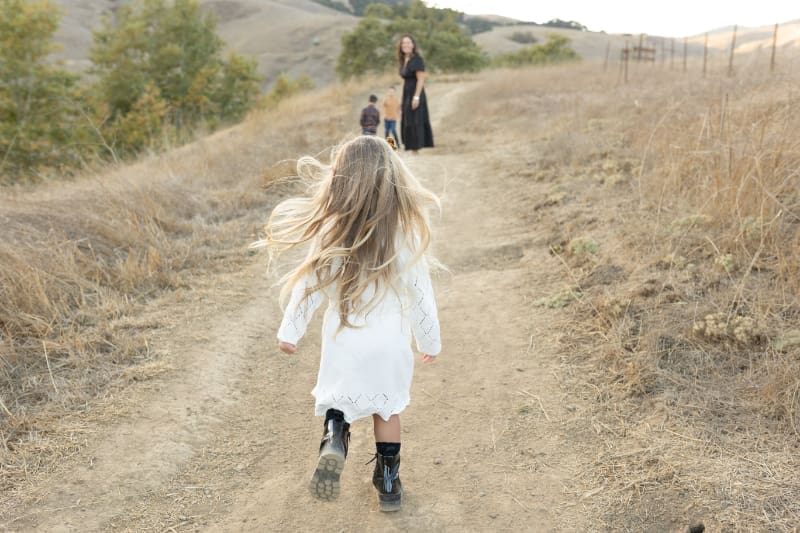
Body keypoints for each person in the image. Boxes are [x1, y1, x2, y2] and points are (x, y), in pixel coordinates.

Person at [259, 135, 442, 512]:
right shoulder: (404, 232)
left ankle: (334, 439)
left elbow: (309, 286)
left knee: (338, 403)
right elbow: (421, 294)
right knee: (387, 411)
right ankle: (389, 481)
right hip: (389, 344)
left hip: (344, 342)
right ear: (393, 179)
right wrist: (430, 342)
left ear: (340, 180)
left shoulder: (332, 231)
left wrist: (289, 331)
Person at [398, 34, 433, 153]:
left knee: (415, 119)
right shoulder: (404, 59)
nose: (406, 45)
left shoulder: (417, 59)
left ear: (413, 45)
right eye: (403, 43)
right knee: (407, 118)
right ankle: (410, 146)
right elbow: (405, 80)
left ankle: (416, 148)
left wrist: (416, 97)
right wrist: (401, 99)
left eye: (408, 43)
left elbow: (421, 79)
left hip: (416, 92)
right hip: (406, 93)